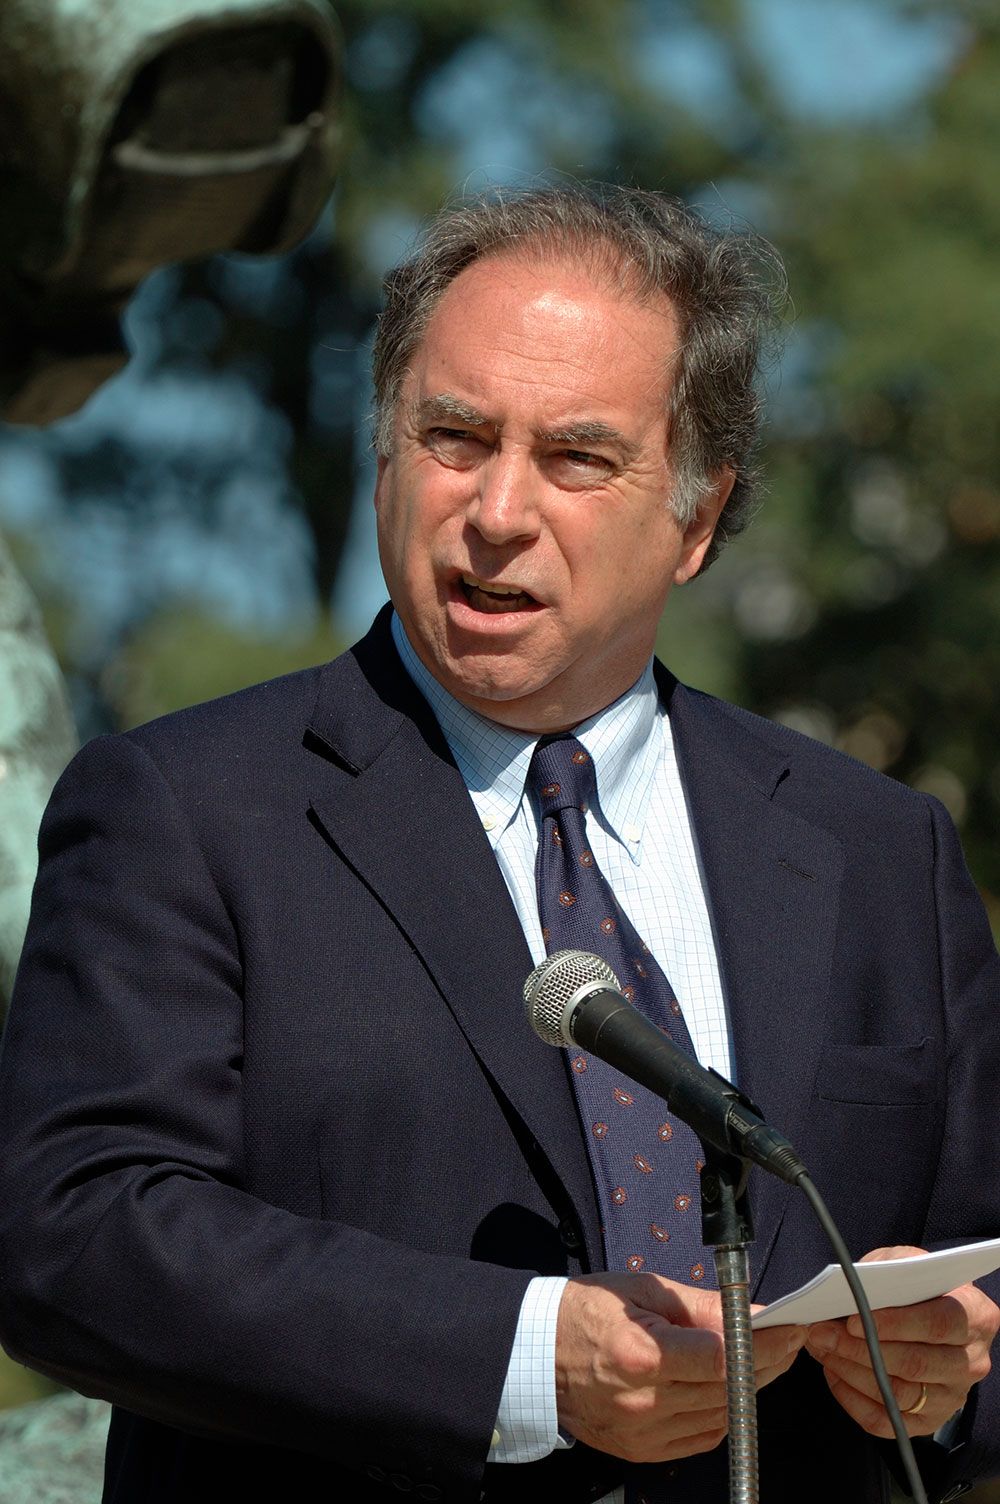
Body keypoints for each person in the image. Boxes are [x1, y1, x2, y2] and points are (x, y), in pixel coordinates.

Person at [0, 185, 997, 1504]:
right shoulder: (183, 810)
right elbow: (72, 1237)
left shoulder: (881, 852)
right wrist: (524, 1360)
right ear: (383, 458)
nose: (497, 511)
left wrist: (944, 1375)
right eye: (454, 437)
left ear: (698, 520)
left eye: (578, 458)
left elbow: (979, 1289)